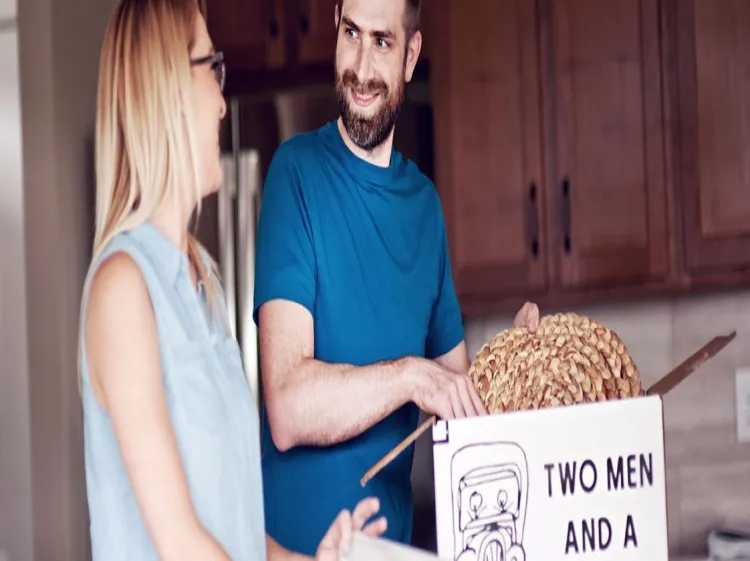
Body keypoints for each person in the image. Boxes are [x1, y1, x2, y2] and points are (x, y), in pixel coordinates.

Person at [76, 0, 387, 559]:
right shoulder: (123, 289)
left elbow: (230, 529)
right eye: (211, 69)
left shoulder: (203, 283)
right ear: (166, 83)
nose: (223, 103)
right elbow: (181, 544)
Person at [252, 0, 541, 555]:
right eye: (351, 33)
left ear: (410, 56)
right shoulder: (296, 175)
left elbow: (459, 397)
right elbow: (286, 407)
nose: (360, 67)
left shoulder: (423, 209)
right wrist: (410, 375)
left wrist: (520, 363)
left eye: (381, 42)